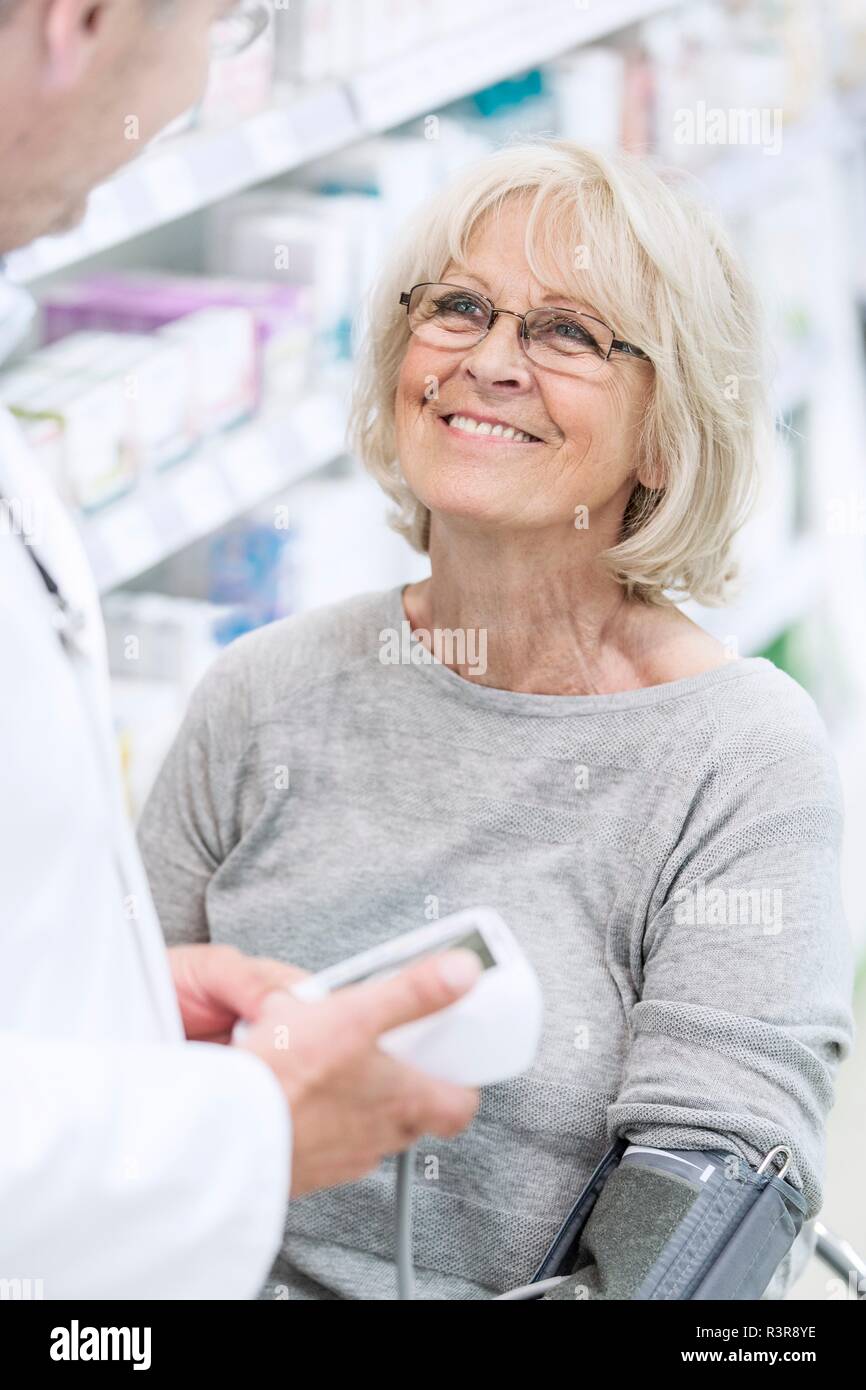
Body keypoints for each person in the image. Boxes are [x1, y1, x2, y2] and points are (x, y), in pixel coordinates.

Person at [139, 140, 855, 1299]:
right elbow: (108, 1048)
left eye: (567, 331)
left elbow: (714, 1189)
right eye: (458, 307)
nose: (488, 361)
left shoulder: (733, 754)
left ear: (668, 429)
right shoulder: (262, 691)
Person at [0, 0, 479, 1301]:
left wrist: (112, 1005)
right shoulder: (263, 690)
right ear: (78, 21)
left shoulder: (739, 746)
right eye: (221, 19)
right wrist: (241, 1130)